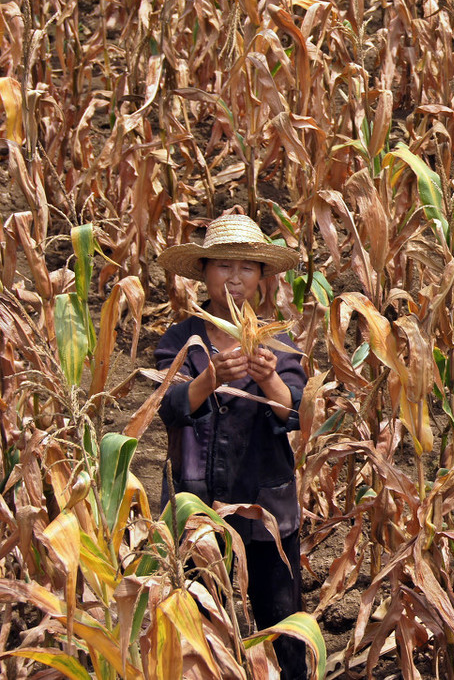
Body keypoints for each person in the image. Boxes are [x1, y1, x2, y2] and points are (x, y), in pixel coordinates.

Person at [155, 211, 308, 678]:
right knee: (199, 615)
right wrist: (212, 377)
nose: (235, 279)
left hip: (265, 503)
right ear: (204, 272)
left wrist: (271, 385)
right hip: (196, 501)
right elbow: (169, 404)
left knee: (281, 618)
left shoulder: (279, 344)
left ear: (262, 278)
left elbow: (296, 411)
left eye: (246, 268)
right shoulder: (181, 339)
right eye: (223, 266)